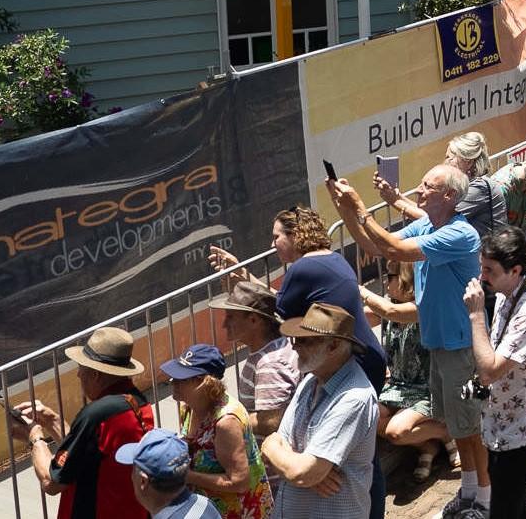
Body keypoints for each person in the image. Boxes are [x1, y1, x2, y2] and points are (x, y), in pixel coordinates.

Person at [327, 169, 486, 519]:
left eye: (429, 185)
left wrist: (359, 206)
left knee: (470, 428)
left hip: (459, 346)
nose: (419, 189)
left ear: (449, 196)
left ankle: (484, 501)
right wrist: (344, 208)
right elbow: (375, 246)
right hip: (440, 345)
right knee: (460, 427)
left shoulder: (458, 233)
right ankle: (469, 493)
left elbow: (394, 249)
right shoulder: (428, 225)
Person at [209, 208, 388, 396]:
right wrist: (243, 274)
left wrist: (242, 278)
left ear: (295, 235)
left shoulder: (302, 268)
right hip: (367, 359)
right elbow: (279, 301)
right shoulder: (333, 258)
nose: (272, 245)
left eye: (276, 237)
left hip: (351, 366)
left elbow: (275, 310)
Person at [7, 327, 156, 519]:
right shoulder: (138, 402)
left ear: (96, 375)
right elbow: (87, 452)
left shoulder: (95, 415)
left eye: (82, 368)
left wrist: (34, 437)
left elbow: (51, 482)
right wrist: (53, 421)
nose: (78, 375)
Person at [460, 228, 526, 519]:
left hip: (521, 434)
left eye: (489, 270)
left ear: (515, 270)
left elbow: (489, 371)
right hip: (500, 424)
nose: (482, 276)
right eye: (482, 267)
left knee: (504, 509)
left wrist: (476, 314)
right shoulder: (506, 294)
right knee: (518, 506)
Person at [262, 305, 381, 519]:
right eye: (295, 339)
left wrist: (301, 469)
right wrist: (308, 471)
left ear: (333, 345)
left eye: (304, 341)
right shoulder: (310, 381)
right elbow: (281, 444)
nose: (295, 347)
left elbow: (298, 470)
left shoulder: (354, 399)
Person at [159, 346, 272, 519]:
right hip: (208, 509)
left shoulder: (226, 423)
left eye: (181, 378)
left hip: (238, 512)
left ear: (205, 383)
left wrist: (188, 477)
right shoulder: (188, 408)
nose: (173, 382)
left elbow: (239, 482)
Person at [359, 265, 446, 483]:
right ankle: (428, 445)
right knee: (366, 416)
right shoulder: (390, 305)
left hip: (426, 388)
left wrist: (361, 291)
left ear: (406, 279)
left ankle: (445, 432)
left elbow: (390, 312)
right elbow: (360, 316)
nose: (385, 282)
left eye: (390, 276)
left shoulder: (424, 306)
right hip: (397, 387)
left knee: (396, 432)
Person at [205, 282, 298, 442]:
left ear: (254, 320)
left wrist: (226, 420)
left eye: (230, 317)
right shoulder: (270, 350)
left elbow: (269, 422)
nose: (224, 324)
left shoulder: (269, 364)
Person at [379, 133, 507, 238]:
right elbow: (429, 212)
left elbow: (433, 218)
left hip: (489, 256)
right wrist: (396, 196)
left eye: (449, 158)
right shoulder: (470, 185)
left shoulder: (479, 188)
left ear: (468, 162)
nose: (446, 163)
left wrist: (395, 201)